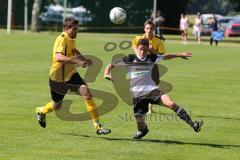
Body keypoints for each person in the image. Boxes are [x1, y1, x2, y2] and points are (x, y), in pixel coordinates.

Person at [104, 39, 203, 139]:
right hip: (138, 95)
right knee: (139, 121)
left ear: (148, 50)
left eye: (145, 50)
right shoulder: (129, 59)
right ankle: (143, 130)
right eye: (140, 49)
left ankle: (193, 124)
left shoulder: (152, 58)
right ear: (137, 48)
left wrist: (179, 54)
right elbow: (110, 65)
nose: (142, 52)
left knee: (171, 104)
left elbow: (165, 56)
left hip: (152, 90)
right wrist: (106, 74)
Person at [35, 17, 111, 135]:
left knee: (87, 93)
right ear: (66, 28)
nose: (77, 31)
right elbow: (58, 57)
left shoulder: (71, 38)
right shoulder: (62, 39)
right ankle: (41, 111)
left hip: (71, 75)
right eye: (74, 29)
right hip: (57, 79)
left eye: (77, 29)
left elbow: (74, 51)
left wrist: (84, 60)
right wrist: (77, 62)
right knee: (56, 106)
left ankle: (98, 126)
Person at [132, 20, 166, 113]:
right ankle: (143, 103)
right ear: (144, 29)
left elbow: (162, 54)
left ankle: (150, 104)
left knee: (155, 84)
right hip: (141, 66)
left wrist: (153, 50)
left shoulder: (158, 40)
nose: (149, 30)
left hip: (153, 65)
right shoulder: (138, 38)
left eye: (151, 28)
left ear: (153, 29)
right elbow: (134, 46)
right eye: (147, 28)